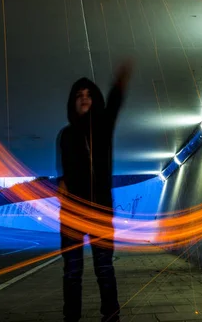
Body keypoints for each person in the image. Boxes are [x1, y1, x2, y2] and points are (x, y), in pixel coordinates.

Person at [56, 60, 133, 322]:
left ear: (95, 99)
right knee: (72, 271)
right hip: (72, 214)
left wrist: (119, 84)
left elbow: (113, 106)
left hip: (100, 209)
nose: (84, 99)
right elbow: (64, 170)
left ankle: (111, 316)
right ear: (72, 103)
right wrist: (62, 184)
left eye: (88, 94)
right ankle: (71, 318)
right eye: (79, 96)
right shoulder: (65, 135)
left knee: (104, 268)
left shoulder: (103, 126)